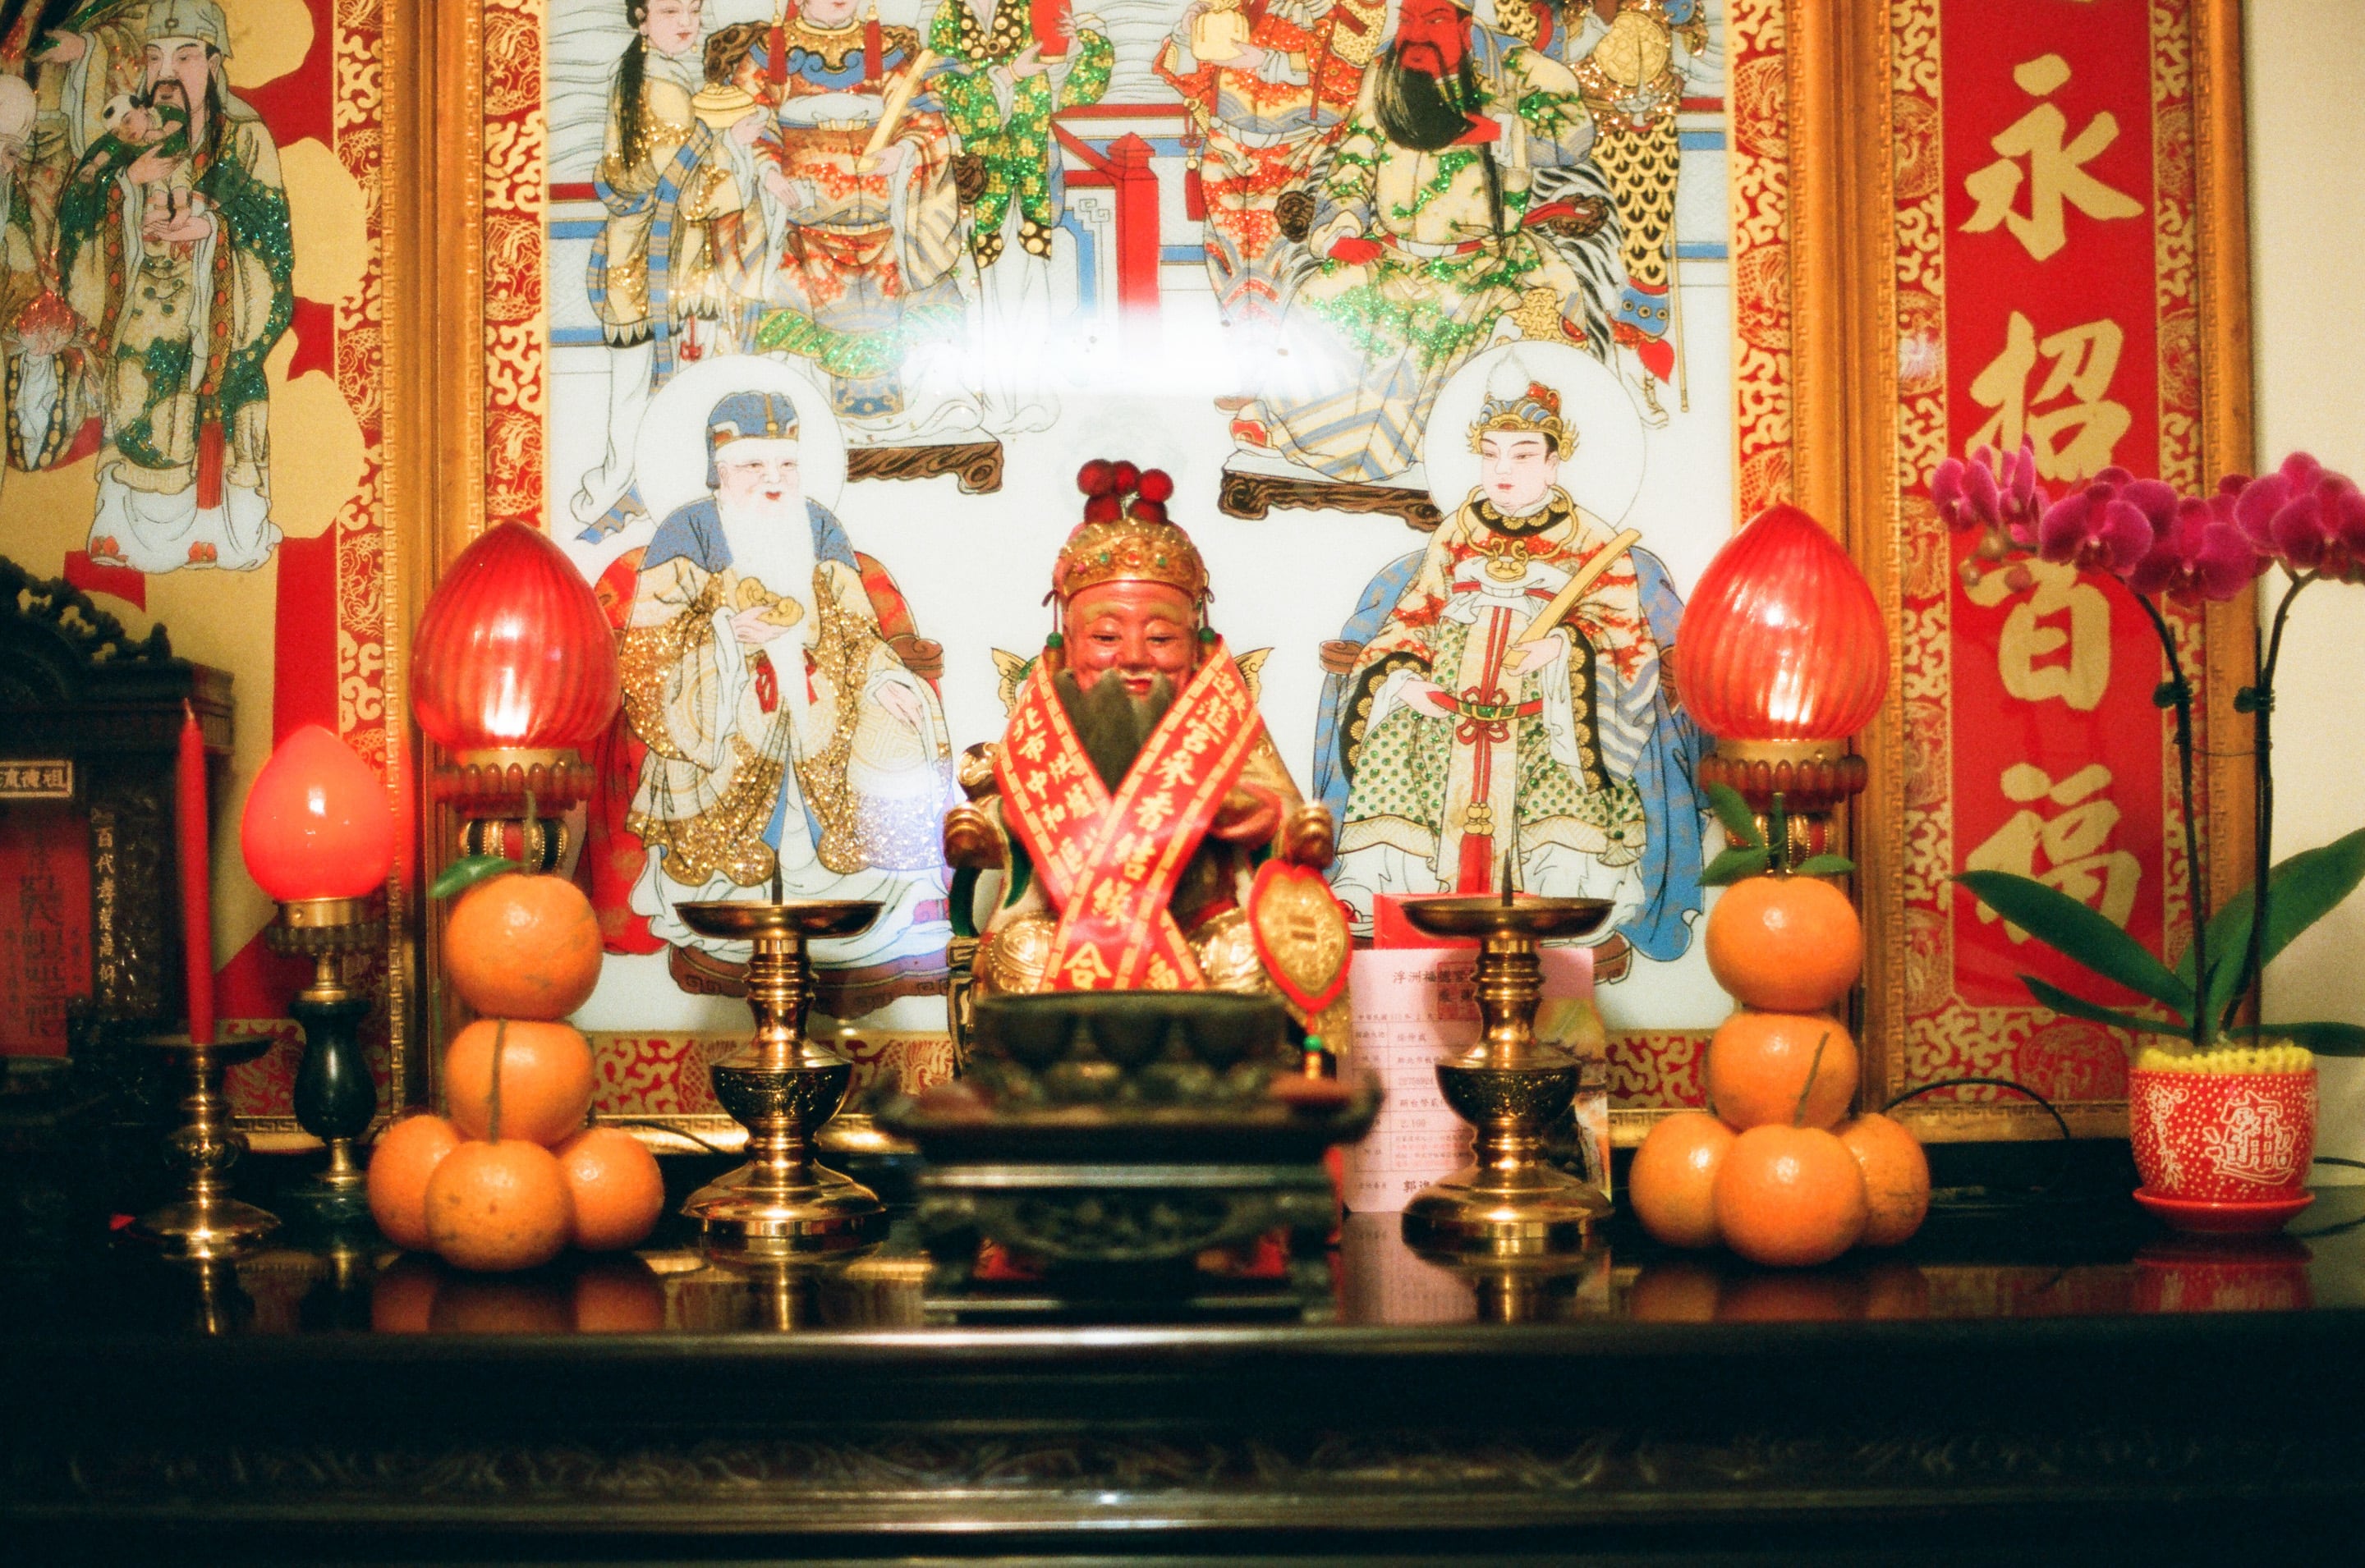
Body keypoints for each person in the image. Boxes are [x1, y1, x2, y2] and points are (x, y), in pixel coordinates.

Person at [944, 460, 1349, 1040]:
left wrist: (1262, 820)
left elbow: (1282, 813)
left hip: (1196, 929)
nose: (1134, 657)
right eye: (1106, 637)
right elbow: (1005, 810)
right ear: (1069, 643)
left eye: (1160, 638)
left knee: (1248, 951)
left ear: (1195, 645)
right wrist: (983, 829)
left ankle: (1228, 1092)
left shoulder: (1220, 721)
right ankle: (1054, 1094)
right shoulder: (1049, 721)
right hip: (1071, 930)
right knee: (1021, 950)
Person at [1328, 357, 1659, 971]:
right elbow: (1418, 612)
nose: (1504, 470)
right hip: (1449, 715)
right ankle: (1381, 894)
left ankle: (1560, 895)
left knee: (1567, 784)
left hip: (1545, 718)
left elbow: (1623, 633)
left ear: (1554, 462)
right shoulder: (1457, 531)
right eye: (1491, 454)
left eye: (1524, 455)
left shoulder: (1591, 539)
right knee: (1394, 747)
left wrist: (1563, 649)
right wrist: (1406, 680)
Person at [619, 390, 955, 976]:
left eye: (786, 464)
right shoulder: (688, 531)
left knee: (901, 713)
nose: (773, 479)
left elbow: (856, 630)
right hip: (719, 711)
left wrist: (882, 677)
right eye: (754, 464)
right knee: (730, 745)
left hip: (823, 707)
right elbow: (652, 648)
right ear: (721, 468)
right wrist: (726, 637)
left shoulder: (819, 525)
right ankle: (724, 916)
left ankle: (880, 915)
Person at [1238, 0, 1620, 484]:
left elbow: (1574, 136)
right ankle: (1293, 430)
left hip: (1488, 261)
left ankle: (1451, 460)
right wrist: (1342, 233)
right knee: (1319, 297)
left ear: (1465, 24)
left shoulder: (1516, 67)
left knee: (1513, 332)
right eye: (1408, 20)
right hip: (1390, 254)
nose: (1416, 34)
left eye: (1434, 20)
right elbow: (1355, 155)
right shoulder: (1386, 71)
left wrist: (1501, 131)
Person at [43, 0, 292, 574]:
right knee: (138, 395)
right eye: (155, 57)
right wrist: (125, 185)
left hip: (215, 323)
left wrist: (210, 228)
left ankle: (220, 533)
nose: (167, 72)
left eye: (185, 57)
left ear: (213, 64)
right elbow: (77, 207)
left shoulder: (245, 138)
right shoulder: (126, 139)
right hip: (141, 322)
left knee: (213, 414)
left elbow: (270, 232)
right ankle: (125, 532)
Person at [714, 3, 964, 424]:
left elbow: (924, 120)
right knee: (780, 310)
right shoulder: (768, 52)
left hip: (888, 230)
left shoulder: (887, 51)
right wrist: (766, 170)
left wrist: (904, 151)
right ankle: (804, 421)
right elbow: (749, 120)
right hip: (801, 231)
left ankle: (911, 421)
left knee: (936, 307)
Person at [1150, 0, 1372, 396]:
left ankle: (1295, 385)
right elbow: (1190, 80)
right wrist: (1187, 36)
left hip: (1299, 153)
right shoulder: (1237, 6)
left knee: (1291, 266)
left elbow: (1347, 77)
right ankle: (1249, 378)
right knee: (1229, 269)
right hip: (1226, 154)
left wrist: (1267, 61)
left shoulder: (1345, 7)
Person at [575, 0, 709, 528]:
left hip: (634, 249)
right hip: (659, 256)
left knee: (633, 386)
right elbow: (690, 174)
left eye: (694, 10)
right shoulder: (662, 85)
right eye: (671, 11)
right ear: (641, 17)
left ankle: (619, 485)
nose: (687, 23)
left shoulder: (643, 73)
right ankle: (632, 489)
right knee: (650, 385)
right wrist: (734, 141)